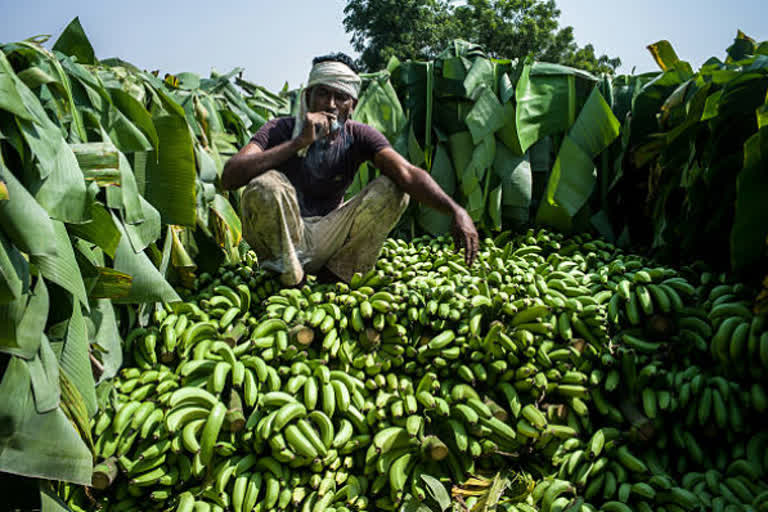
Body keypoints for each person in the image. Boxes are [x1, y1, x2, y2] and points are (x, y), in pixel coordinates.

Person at [221, 52, 478, 286]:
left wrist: (455, 210)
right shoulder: (280, 129)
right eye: (322, 93)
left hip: (329, 234)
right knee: (265, 185)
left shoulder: (358, 136)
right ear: (307, 97)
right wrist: (298, 143)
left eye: (341, 97)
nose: (330, 104)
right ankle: (290, 279)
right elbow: (231, 176)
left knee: (393, 188)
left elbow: (407, 173)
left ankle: (335, 278)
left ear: (352, 106)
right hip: (283, 240)